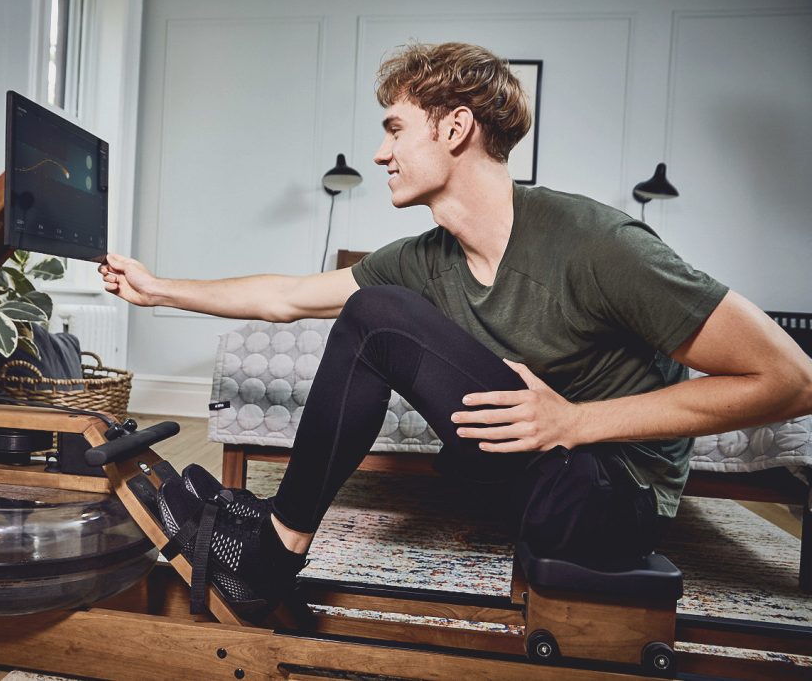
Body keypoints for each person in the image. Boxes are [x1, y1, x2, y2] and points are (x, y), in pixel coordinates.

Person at [99, 42, 812, 620]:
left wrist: (576, 418)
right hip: (526, 478)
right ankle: (275, 545)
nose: (381, 153)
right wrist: (159, 288)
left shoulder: (598, 243)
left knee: (379, 317)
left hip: (615, 503)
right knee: (371, 314)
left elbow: (790, 379)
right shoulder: (424, 258)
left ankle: (266, 563)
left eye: (394, 128)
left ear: (455, 127)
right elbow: (286, 297)